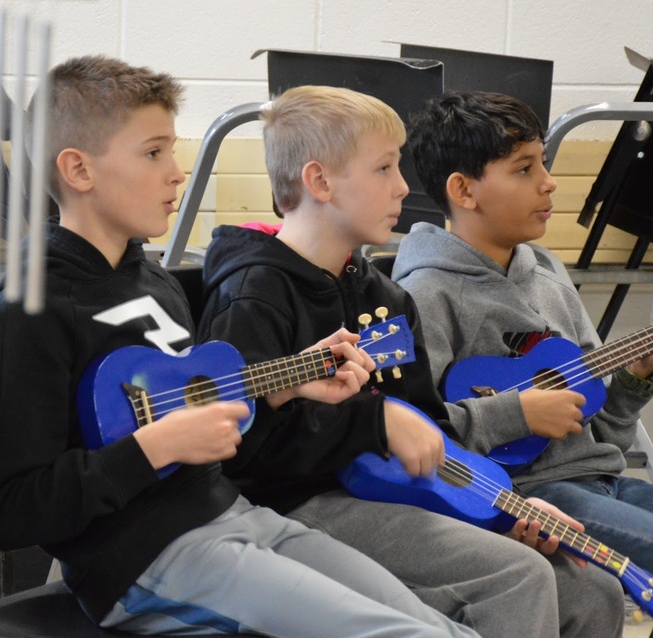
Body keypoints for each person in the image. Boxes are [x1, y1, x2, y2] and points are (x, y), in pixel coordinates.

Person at [0, 55, 482, 637]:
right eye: (153, 152)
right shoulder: (34, 311)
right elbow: (11, 510)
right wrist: (153, 448)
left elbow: (183, 401)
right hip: (145, 561)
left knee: (441, 629)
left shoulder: (154, 280)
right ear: (79, 170)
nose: (176, 172)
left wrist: (284, 383)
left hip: (232, 516)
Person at [198, 84, 625, 638]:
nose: (403, 186)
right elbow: (240, 450)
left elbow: (429, 426)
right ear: (320, 182)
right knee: (516, 579)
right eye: (383, 169)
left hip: (396, 491)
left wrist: (507, 507)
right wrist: (371, 422)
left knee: (591, 586)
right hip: (299, 504)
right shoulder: (256, 293)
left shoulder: (384, 296)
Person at [392, 89, 653, 637]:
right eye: (524, 169)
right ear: (464, 189)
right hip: (530, 495)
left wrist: (639, 372)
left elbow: (604, 432)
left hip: (603, 481)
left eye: (544, 163)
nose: (548, 183)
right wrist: (519, 415)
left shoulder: (549, 278)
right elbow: (419, 435)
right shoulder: (424, 296)